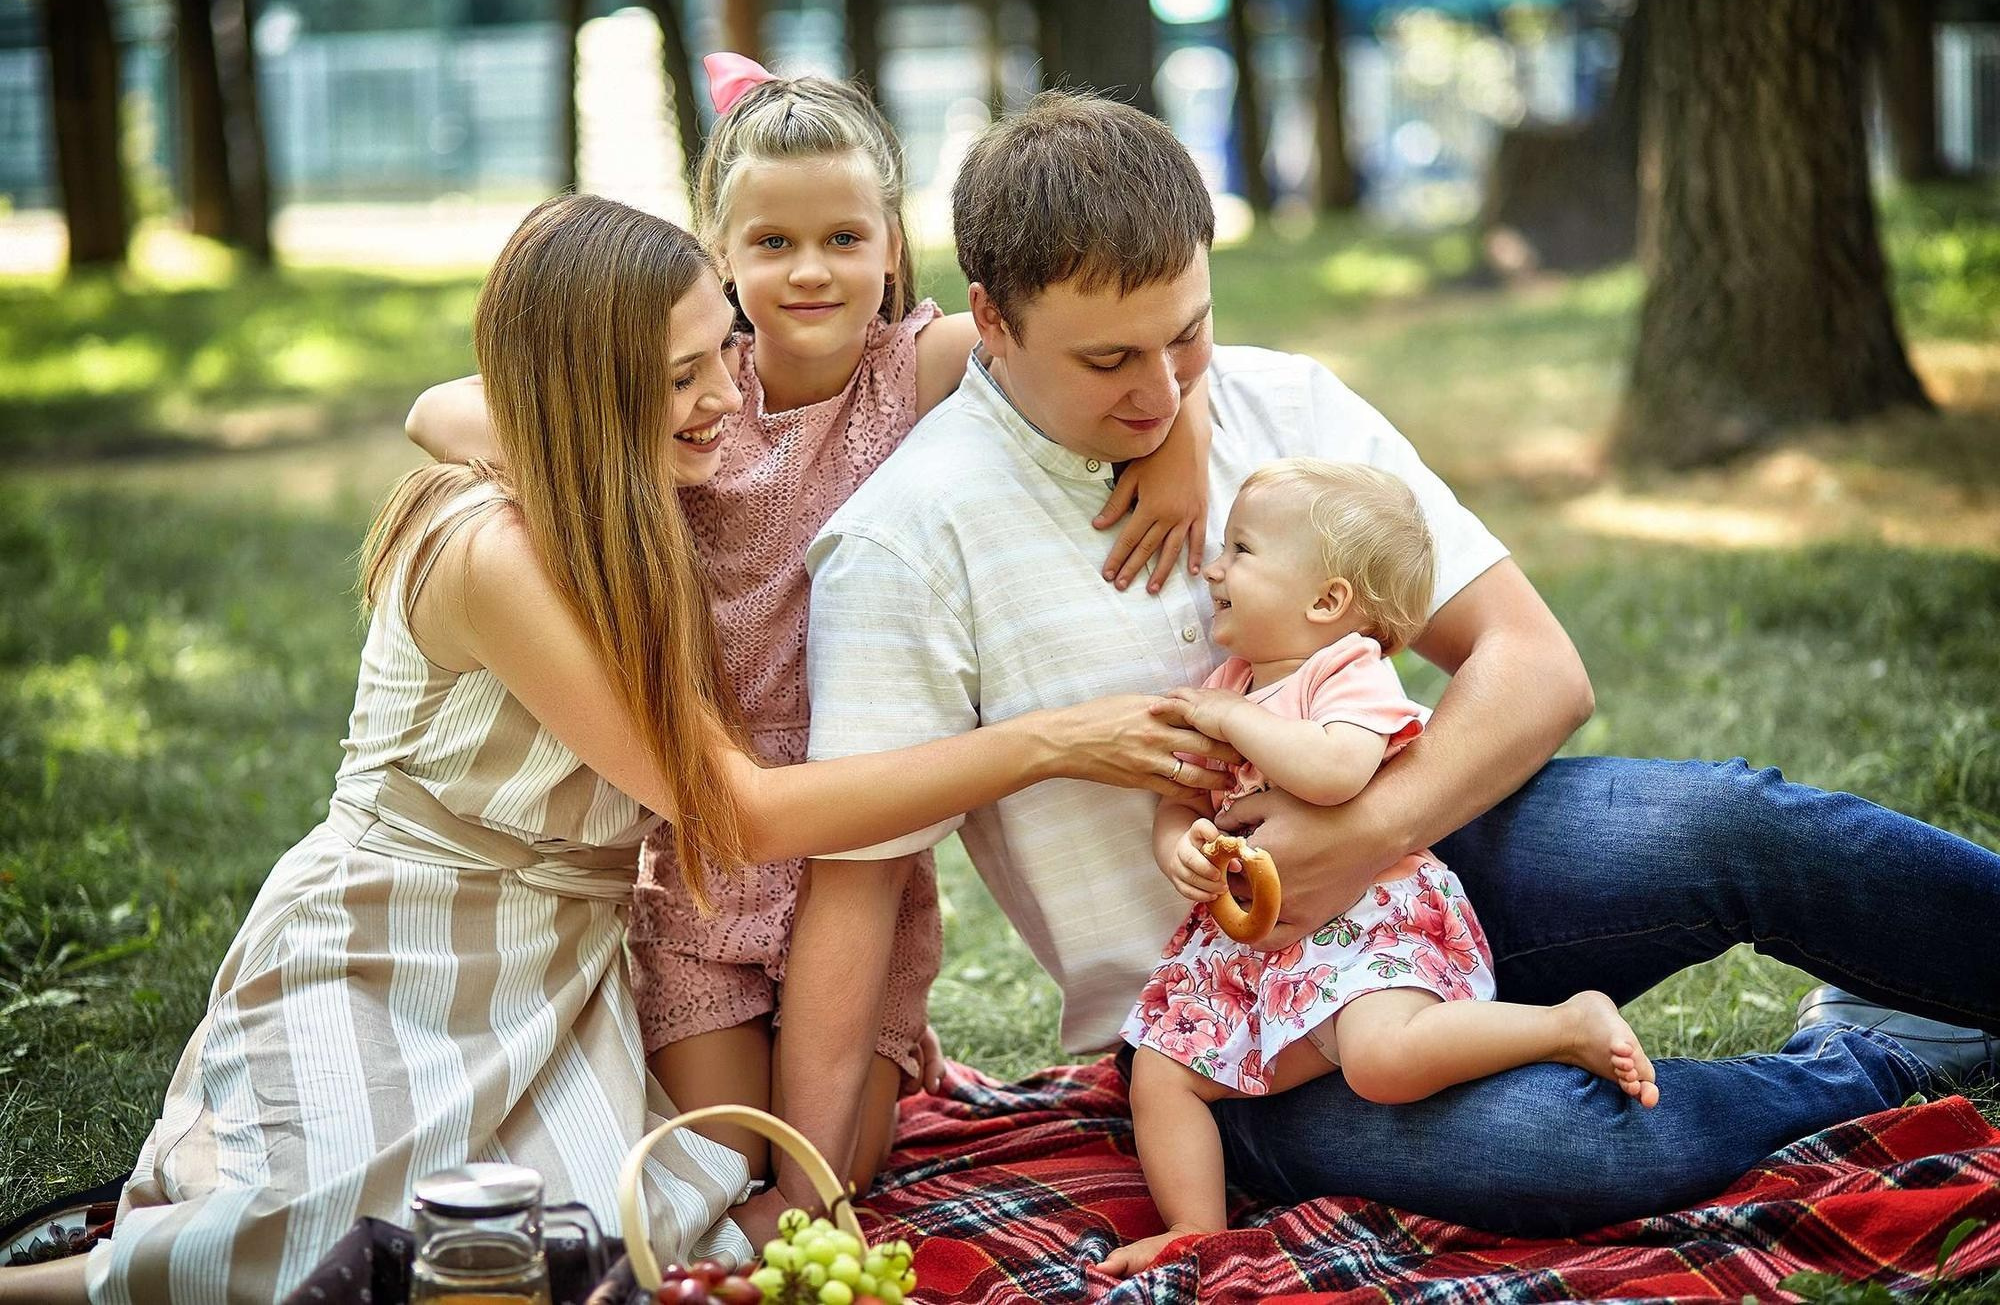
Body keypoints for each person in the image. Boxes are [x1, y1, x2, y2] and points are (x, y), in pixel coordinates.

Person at [782, 91, 2000, 1241]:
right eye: (1109, 362)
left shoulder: (1279, 406)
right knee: (1562, 1148)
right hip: (1236, 1028)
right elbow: (854, 885)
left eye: (1187, 332)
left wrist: (1365, 834)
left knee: (1732, 824)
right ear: (990, 321)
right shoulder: (905, 542)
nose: (1160, 392)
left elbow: (1533, 663)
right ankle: (1874, 1055)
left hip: (1435, 872)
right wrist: (800, 1201)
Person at [0, 194, 1234, 1305]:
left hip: (556, 968)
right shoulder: (492, 549)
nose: (728, 399)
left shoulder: (619, 491)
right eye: (683, 376)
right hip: (395, 949)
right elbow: (738, 813)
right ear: (587, 391)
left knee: (588, 1246)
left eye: (721, 353)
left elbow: (1058, 344)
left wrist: (1175, 426)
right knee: (301, 1254)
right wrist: (1045, 743)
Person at [402, 56, 1214, 1218]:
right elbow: (435, 410)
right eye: (772, 243)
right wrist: (574, 436)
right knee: (726, 1157)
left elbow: (1133, 330)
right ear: (718, 255)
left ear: (888, 242)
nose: (811, 270)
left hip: (858, 820)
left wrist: (1178, 442)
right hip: (704, 825)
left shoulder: (919, 366)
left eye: (842, 237)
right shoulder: (689, 388)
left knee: (848, 1165)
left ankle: (858, 1065)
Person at [1107, 460, 1659, 1276]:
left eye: (1240, 550)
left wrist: (1233, 719)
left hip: (1368, 925)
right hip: (1258, 956)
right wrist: (1179, 846)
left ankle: (1565, 1025)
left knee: (1380, 1060)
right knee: (1160, 1072)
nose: (1213, 570)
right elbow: (1181, 799)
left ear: (1326, 600)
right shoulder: (1226, 684)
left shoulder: (1346, 672)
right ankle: (1197, 1227)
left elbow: (1335, 771)